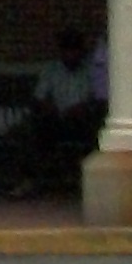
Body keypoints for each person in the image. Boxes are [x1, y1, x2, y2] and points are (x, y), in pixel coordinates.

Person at [31, 25, 97, 195]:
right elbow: (39, 97)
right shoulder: (51, 70)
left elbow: (95, 97)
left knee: (95, 131)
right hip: (56, 119)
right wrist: (50, 107)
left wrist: (83, 107)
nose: (71, 55)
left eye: (75, 50)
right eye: (67, 50)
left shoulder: (90, 70)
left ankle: (86, 181)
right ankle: (32, 181)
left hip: (82, 120)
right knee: (37, 130)